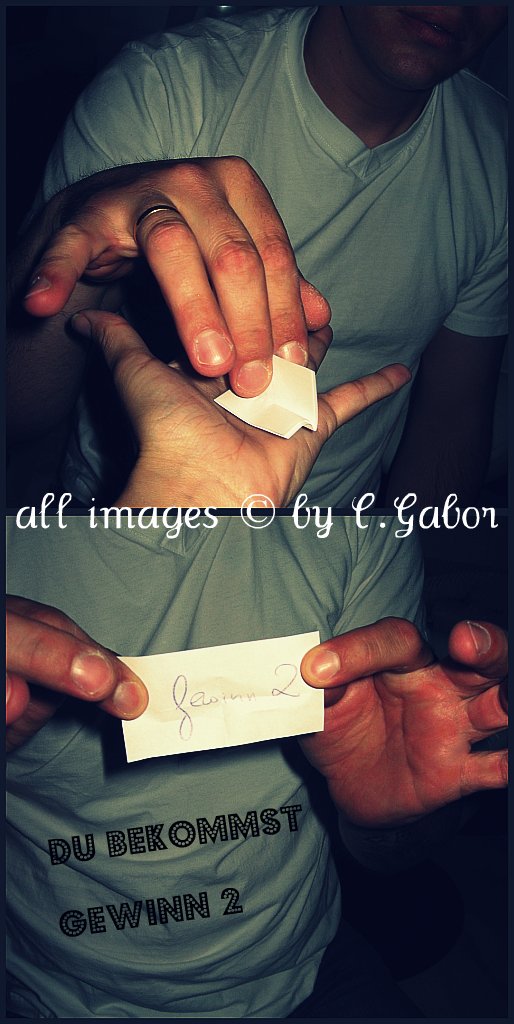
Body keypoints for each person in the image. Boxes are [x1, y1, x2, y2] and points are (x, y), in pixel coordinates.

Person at [6, 313, 508, 1019]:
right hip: (59, 997)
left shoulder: (361, 536)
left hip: (309, 969)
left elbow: (389, 849)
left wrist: (391, 817)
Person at [7, 5, 508, 508]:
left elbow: (454, 410)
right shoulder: (162, 86)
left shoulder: (497, 147)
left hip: (345, 532)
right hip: (123, 505)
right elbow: (15, 410)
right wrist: (70, 220)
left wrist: (410, 541)